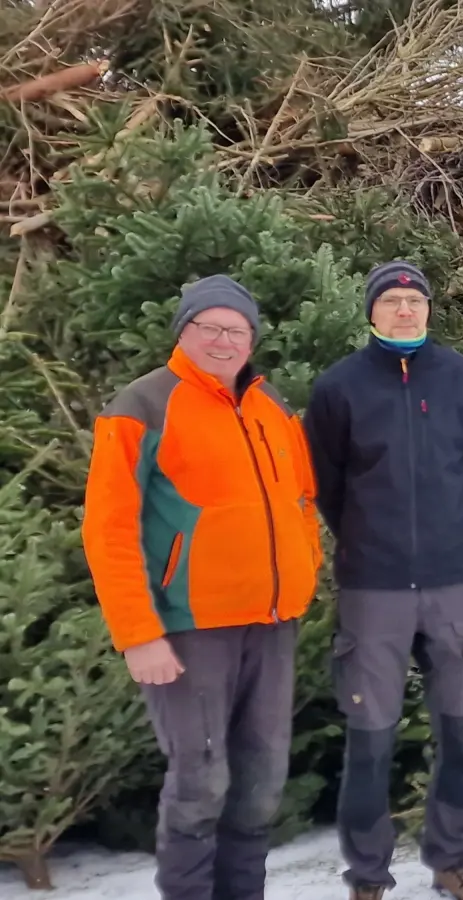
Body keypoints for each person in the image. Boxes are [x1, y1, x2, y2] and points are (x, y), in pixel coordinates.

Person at [82, 274, 323, 900]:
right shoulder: (142, 406)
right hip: (189, 628)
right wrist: (138, 634)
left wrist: (305, 570)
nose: (222, 339)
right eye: (208, 327)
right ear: (183, 332)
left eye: (235, 329)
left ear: (252, 338)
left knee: (261, 781)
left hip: (272, 624)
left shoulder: (273, 409)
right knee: (201, 782)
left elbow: (301, 499)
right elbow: (109, 528)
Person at [303, 261, 463, 900]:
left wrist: (446, 535)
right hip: (373, 589)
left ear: (430, 310)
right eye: (391, 301)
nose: (405, 310)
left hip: (453, 585)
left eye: (415, 301)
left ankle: (450, 858)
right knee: (370, 742)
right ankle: (367, 874)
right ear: (371, 312)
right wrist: (370, 538)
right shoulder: (339, 388)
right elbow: (327, 487)